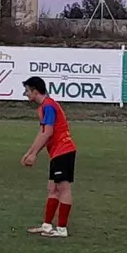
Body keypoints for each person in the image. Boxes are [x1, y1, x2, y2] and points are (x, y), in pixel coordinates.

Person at [21, 76, 77, 238]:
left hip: (64, 151)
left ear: (35, 91)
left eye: (27, 91)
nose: (25, 94)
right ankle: (46, 226)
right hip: (57, 152)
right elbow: (43, 133)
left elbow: (48, 132)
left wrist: (33, 155)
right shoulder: (45, 107)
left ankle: (61, 229)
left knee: (63, 189)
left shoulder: (49, 106)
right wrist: (30, 153)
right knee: (52, 189)